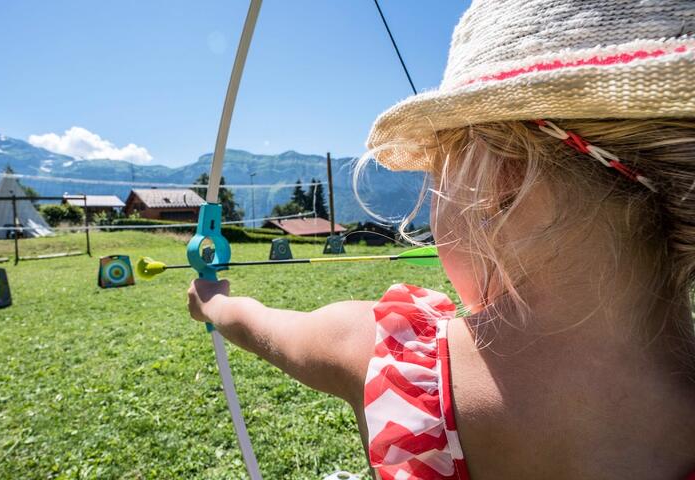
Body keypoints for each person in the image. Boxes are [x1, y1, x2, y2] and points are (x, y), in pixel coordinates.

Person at [189, 1, 695, 478]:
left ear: (502, 183)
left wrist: (213, 301)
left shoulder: (393, 357)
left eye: (439, 172)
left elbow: (257, 324)